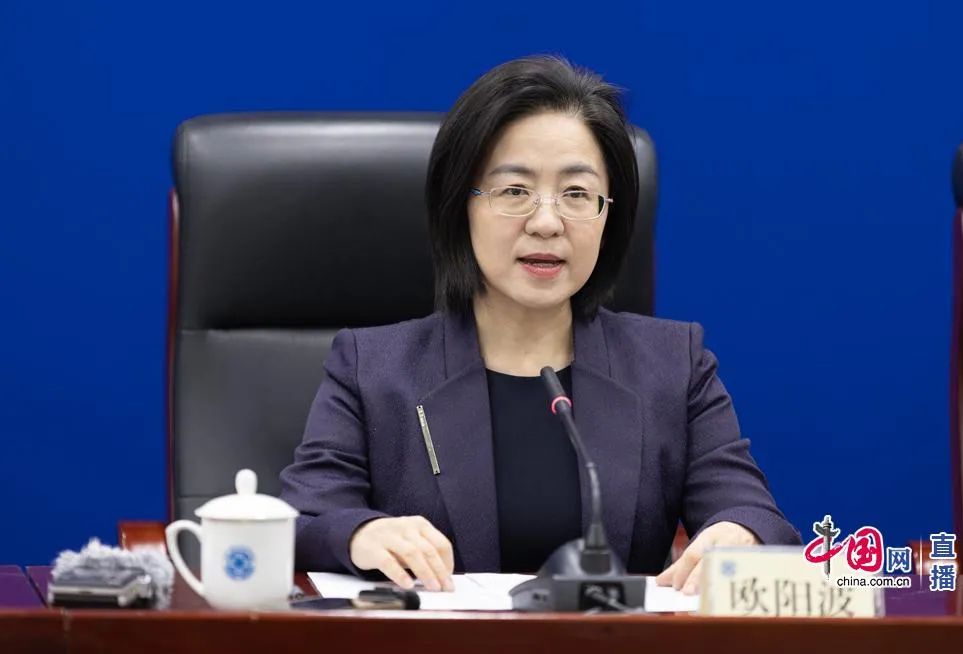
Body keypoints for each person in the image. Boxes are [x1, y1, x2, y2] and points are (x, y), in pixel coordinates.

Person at [279, 55, 800, 596]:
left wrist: (739, 533)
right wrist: (361, 532)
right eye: (514, 191)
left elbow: (754, 514)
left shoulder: (674, 364)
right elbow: (302, 516)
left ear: (608, 215)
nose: (547, 222)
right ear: (461, 206)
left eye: (576, 194)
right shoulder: (372, 368)